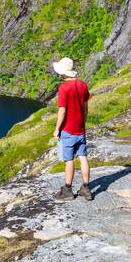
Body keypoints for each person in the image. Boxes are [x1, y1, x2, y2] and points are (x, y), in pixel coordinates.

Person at [51, 57, 91, 200]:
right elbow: (86, 108)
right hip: (80, 129)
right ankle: (86, 188)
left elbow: (62, 111)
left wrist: (57, 129)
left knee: (69, 160)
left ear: (63, 73)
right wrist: (83, 122)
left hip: (68, 130)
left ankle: (68, 190)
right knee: (83, 157)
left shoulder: (63, 88)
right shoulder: (83, 85)